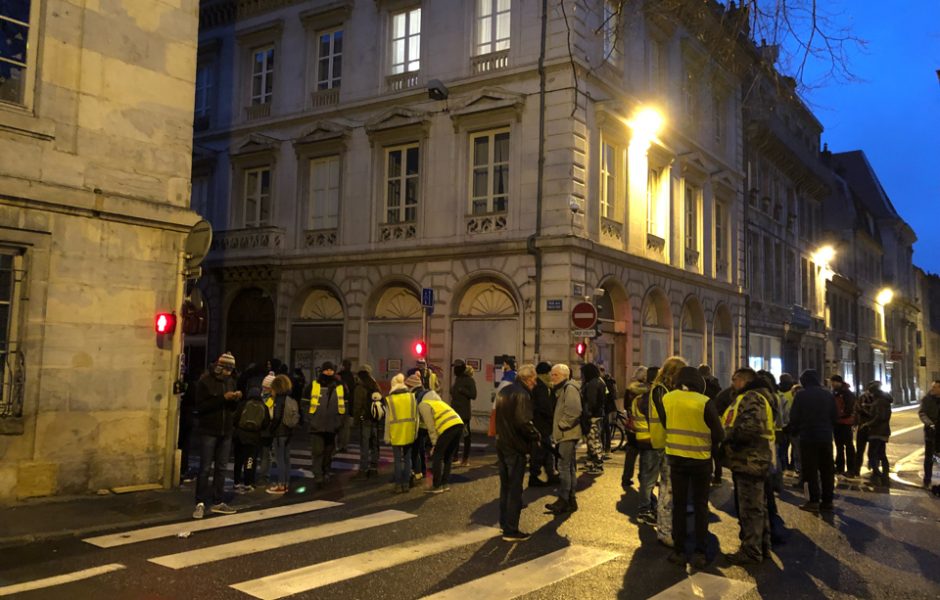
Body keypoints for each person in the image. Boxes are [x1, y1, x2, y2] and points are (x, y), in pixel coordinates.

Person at [662, 367, 724, 568]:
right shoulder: (704, 402)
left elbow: (666, 424)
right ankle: (700, 551)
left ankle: (679, 551)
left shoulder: (668, 399)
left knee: (678, 506)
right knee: (700, 506)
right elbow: (719, 434)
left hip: (676, 459)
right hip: (700, 460)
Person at [723, 368, 776, 565]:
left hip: (749, 459)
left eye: (734, 379)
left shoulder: (751, 398)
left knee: (750, 507)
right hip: (755, 459)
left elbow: (749, 428)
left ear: (744, 380)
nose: (732, 382)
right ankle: (762, 547)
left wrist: (728, 439)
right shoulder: (758, 396)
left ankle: (751, 550)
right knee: (758, 506)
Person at [494, 364, 541, 541]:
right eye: (534, 379)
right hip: (515, 445)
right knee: (515, 489)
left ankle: (504, 523)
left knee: (505, 487)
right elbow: (523, 421)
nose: (535, 383)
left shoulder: (504, 392)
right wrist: (535, 434)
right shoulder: (522, 394)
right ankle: (511, 529)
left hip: (503, 443)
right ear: (528, 379)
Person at [193, 352, 241, 519]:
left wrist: (235, 399)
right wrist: (223, 398)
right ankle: (200, 502)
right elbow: (200, 406)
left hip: (225, 430)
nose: (229, 372)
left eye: (231, 369)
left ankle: (218, 500)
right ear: (220, 367)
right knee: (205, 467)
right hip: (209, 430)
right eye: (226, 369)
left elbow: (232, 409)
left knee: (221, 467)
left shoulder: (230, 382)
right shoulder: (205, 382)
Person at [788, 369, 836, 512]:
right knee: (827, 470)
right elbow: (834, 416)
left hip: (808, 437)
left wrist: (794, 431)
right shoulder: (827, 394)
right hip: (825, 437)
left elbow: (794, 416)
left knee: (810, 470)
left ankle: (813, 500)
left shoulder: (801, 395)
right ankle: (828, 501)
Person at [651, 357, 687, 547]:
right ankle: (664, 531)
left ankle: (668, 527)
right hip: (665, 442)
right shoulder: (660, 390)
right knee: (667, 488)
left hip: (670, 441)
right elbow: (666, 418)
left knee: (671, 488)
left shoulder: (665, 390)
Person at [545, 364, 582, 515]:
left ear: (564, 376)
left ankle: (564, 499)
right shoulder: (563, 388)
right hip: (567, 434)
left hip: (567, 434)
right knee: (569, 467)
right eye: (552, 374)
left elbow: (574, 411)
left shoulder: (569, 388)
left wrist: (562, 425)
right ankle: (570, 499)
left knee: (564, 467)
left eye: (555, 375)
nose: (551, 377)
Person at [305, 361, 345, 488]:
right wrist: (310, 419)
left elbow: (345, 405)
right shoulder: (313, 385)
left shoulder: (340, 386)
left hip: (332, 426)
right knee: (317, 451)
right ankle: (318, 475)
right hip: (316, 425)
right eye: (326, 370)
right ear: (322, 371)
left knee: (328, 452)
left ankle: (325, 471)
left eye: (331, 370)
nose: (329, 372)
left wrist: (340, 422)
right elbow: (305, 403)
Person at [418, 390, 465, 493]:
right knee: (448, 456)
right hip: (459, 424)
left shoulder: (423, 405)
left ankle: (437, 485)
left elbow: (431, 427)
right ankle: (445, 483)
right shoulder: (439, 403)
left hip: (448, 428)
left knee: (437, 456)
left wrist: (434, 444)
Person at [633, 367, 661, 524]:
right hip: (652, 441)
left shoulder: (640, 395)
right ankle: (645, 510)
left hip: (642, 439)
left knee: (645, 476)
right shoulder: (652, 397)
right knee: (648, 479)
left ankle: (649, 506)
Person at [384, 373, 418, 493]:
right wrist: (415, 432)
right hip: (409, 431)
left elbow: (388, 420)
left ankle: (398, 485)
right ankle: (406, 484)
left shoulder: (391, 400)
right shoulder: (412, 397)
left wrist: (387, 436)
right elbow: (416, 417)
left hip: (396, 432)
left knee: (398, 459)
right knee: (408, 459)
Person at [232, 386, 269, 494]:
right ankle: (248, 483)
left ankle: (236, 482)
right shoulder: (263, 406)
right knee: (250, 460)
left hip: (240, 435)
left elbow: (235, 418)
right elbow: (265, 423)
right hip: (254, 437)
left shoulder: (243, 404)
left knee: (238, 460)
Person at [529, 361, 559, 487]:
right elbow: (544, 406)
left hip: (544, 425)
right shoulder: (540, 386)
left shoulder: (545, 385)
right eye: (550, 372)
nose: (551, 375)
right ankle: (534, 476)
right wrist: (553, 416)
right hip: (541, 425)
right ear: (545, 373)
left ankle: (551, 474)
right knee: (540, 451)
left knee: (547, 451)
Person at [860, 380, 892, 488]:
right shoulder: (883, 400)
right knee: (881, 453)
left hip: (877, 431)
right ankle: (884, 475)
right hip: (882, 431)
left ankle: (877, 475)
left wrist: (867, 424)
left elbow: (879, 417)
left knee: (872, 454)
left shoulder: (879, 402)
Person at [352, 364, 382, 479]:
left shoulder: (360, 387)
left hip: (364, 420)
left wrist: (355, 420)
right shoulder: (375, 385)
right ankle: (374, 468)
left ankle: (363, 470)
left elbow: (357, 406)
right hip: (375, 419)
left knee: (364, 445)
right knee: (374, 444)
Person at [621, 366, 649, 491]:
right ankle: (642, 477)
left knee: (631, 453)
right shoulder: (648, 390)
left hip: (632, 425)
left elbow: (626, 406)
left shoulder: (630, 389)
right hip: (644, 427)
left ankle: (626, 477)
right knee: (644, 454)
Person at [267, 374, 295, 494]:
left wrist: (271, 429)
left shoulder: (278, 400)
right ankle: (286, 483)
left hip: (279, 433)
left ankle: (281, 484)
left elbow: (277, 417)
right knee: (287, 458)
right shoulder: (290, 399)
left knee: (280, 460)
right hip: (288, 432)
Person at [580, 363, 607, 474]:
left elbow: (591, 402)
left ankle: (597, 465)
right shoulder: (600, 381)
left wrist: (587, 414)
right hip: (598, 415)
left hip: (593, 416)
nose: (582, 376)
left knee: (594, 441)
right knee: (593, 440)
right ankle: (591, 463)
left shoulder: (592, 384)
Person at [450, 359, 477, 468]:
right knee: (455, 436)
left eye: (456, 367)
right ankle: (455, 457)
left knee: (466, 436)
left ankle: (465, 459)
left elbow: (474, 395)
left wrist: (462, 391)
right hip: (455, 413)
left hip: (464, 414)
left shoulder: (469, 380)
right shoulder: (457, 379)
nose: (454, 370)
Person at [830, 375, 857, 477]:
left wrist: (839, 415)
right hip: (837, 423)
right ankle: (840, 467)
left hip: (845, 423)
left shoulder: (847, 393)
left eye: (834, 382)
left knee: (848, 446)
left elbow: (849, 408)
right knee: (839, 446)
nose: (832, 384)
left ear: (839, 382)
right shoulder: (834, 393)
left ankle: (851, 469)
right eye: (832, 382)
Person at [406, 371, 431, 481]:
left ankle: (418, 471)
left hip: (419, 426)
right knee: (421, 449)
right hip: (425, 425)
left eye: (408, 386)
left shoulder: (416, 395)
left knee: (417, 449)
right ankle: (422, 470)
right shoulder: (424, 392)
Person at [918, 380, 939, 488]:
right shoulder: (927, 399)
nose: (933, 389)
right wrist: (929, 424)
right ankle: (927, 479)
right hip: (931, 431)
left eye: (936, 387)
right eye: (933, 387)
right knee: (929, 457)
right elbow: (922, 413)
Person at [336, 359, 357, 452]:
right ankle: (344, 445)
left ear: (343, 366)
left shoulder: (339, 376)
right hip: (348, 404)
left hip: (338, 404)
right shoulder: (352, 377)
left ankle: (338, 445)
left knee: (338, 425)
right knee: (346, 427)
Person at [600, 365, 618, 455]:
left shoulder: (606, 382)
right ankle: (605, 447)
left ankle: (606, 447)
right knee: (604, 428)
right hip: (606, 407)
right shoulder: (607, 380)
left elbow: (607, 394)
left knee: (605, 428)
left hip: (606, 407)